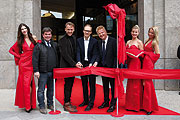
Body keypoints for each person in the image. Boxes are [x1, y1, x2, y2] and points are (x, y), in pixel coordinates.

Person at [9, 23, 37, 113]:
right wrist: (19, 56)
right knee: (26, 84)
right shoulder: (20, 40)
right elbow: (11, 50)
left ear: (27, 29)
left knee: (31, 84)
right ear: (20, 31)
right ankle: (27, 106)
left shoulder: (33, 38)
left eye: (25, 28)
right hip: (24, 65)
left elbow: (37, 46)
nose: (24, 30)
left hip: (32, 63)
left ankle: (31, 104)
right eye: (22, 29)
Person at [32, 27, 59, 114]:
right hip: (43, 72)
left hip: (53, 72)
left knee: (51, 89)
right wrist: (36, 71)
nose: (48, 36)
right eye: (46, 34)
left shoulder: (55, 45)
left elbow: (58, 57)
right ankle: (42, 106)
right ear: (43, 35)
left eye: (49, 34)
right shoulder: (38, 46)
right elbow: (35, 59)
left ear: (51, 35)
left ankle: (50, 104)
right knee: (41, 90)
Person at [58, 22, 81, 112]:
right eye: (68, 29)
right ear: (65, 29)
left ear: (74, 29)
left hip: (72, 66)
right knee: (67, 85)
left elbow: (75, 52)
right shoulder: (62, 40)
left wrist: (77, 62)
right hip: (66, 66)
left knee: (71, 84)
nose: (70, 31)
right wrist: (74, 63)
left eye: (71, 29)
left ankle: (68, 101)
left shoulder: (74, 38)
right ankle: (66, 103)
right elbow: (65, 54)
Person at [76, 24, 98, 111]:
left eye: (88, 31)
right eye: (85, 30)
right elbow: (77, 52)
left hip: (91, 64)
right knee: (84, 83)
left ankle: (91, 103)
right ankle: (85, 100)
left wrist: (92, 63)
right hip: (83, 64)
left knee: (92, 84)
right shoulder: (79, 40)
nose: (87, 32)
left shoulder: (95, 41)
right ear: (83, 31)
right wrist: (78, 61)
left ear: (91, 32)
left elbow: (95, 53)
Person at [96, 25, 117, 112]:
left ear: (105, 31)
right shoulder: (99, 42)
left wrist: (115, 68)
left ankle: (113, 104)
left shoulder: (113, 41)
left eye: (102, 32)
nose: (101, 35)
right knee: (105, 86)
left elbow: (116, 56)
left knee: (113, 87)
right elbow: (98, 55)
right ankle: (106, 101)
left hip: (112, 69)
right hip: (103, 69)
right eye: (99, 34)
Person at [141, 26, 160, 115]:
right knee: (144, 83)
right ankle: (145, 106)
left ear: (155, 34)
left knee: (148, 84)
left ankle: (150, 107)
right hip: (145, 63)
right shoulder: (147, 40)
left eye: (152, 33)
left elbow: (157, 55)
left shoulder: (154, 42)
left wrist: (148, 56)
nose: (150, 34)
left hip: (148, 64)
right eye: (149, 32)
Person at [125, 25, 144, 112]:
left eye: (136, 32)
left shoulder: (140, 42)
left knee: (136, 85)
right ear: (131, 32)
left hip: (136, 64)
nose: (134, 33)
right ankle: (129, 105)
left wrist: (136, 54)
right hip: (130, 64)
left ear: (138, 33)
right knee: (130, 84)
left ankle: (136, 106)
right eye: (133, 31)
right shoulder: (128, 42)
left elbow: (143, 55)